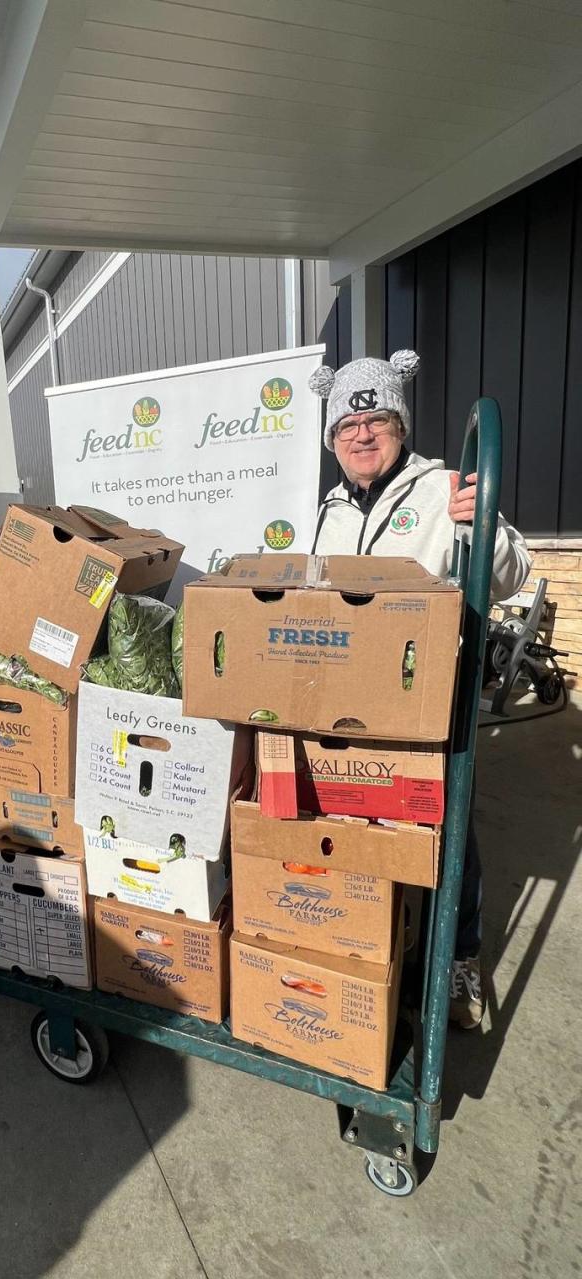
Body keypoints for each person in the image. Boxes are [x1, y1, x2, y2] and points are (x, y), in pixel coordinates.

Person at [308, 350, 531, 1028]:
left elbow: (512, 572)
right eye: (348, 427)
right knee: (364, 828)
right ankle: (381, 950)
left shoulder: (444, 490)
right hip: (350, 706)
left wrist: (481, 526)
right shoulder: (331, 509)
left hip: (429, 701)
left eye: (377, 419)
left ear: (400, 426)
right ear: (333, 442)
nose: (363, 435)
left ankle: (460, 960)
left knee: (447, 835)